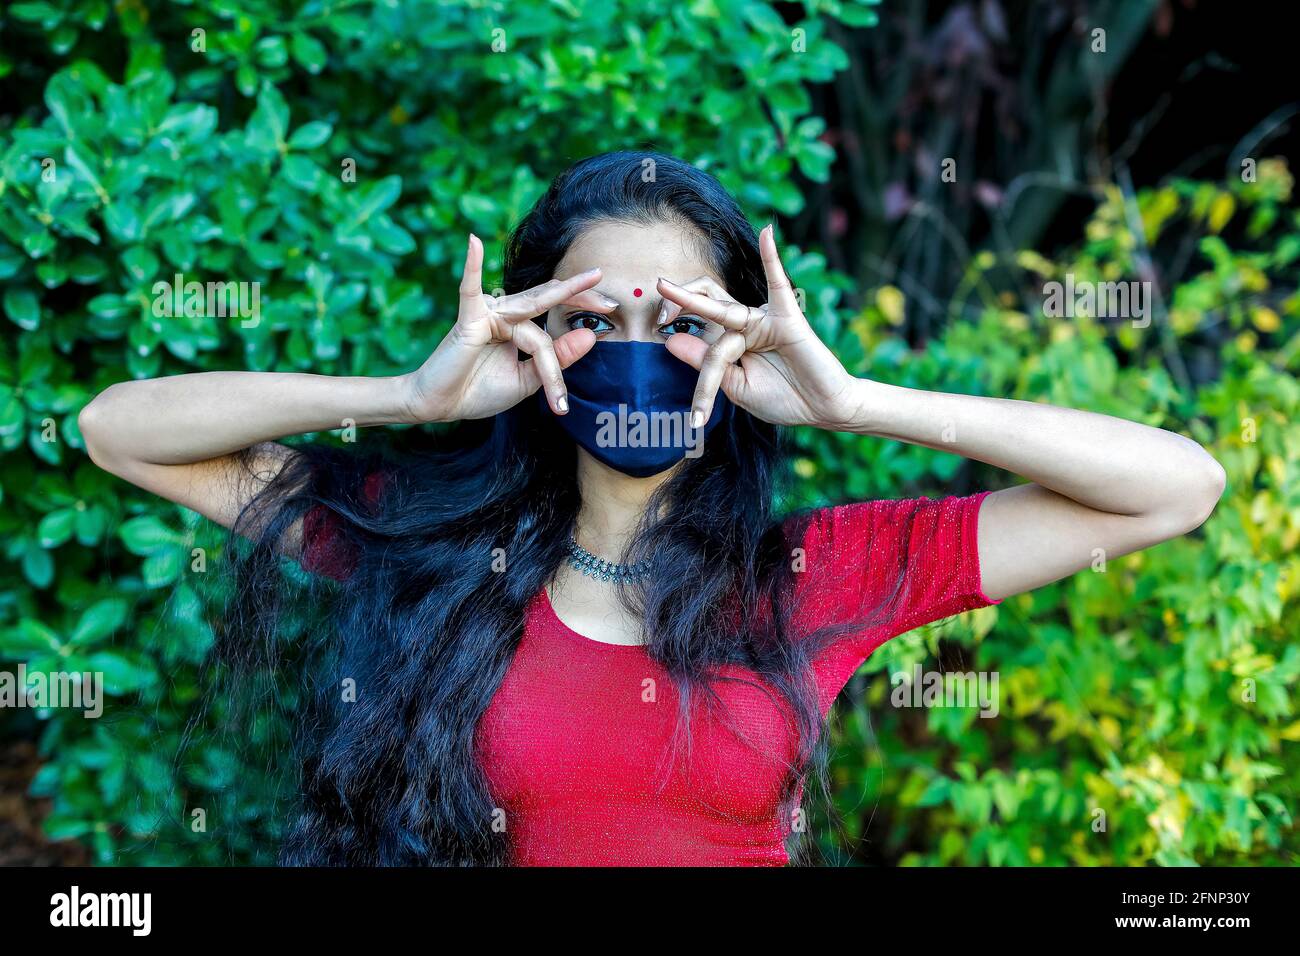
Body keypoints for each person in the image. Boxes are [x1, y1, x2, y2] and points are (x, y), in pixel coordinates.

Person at [78, 151, 1226, 865]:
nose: (641, 355)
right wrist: (409, 394)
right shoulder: (427, 547)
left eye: (680, 321)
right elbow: (118, 429)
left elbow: (1176, 484)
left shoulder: (819, 570)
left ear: (737, 344)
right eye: (598, 318)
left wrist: (854, 401)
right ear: (534, 336)